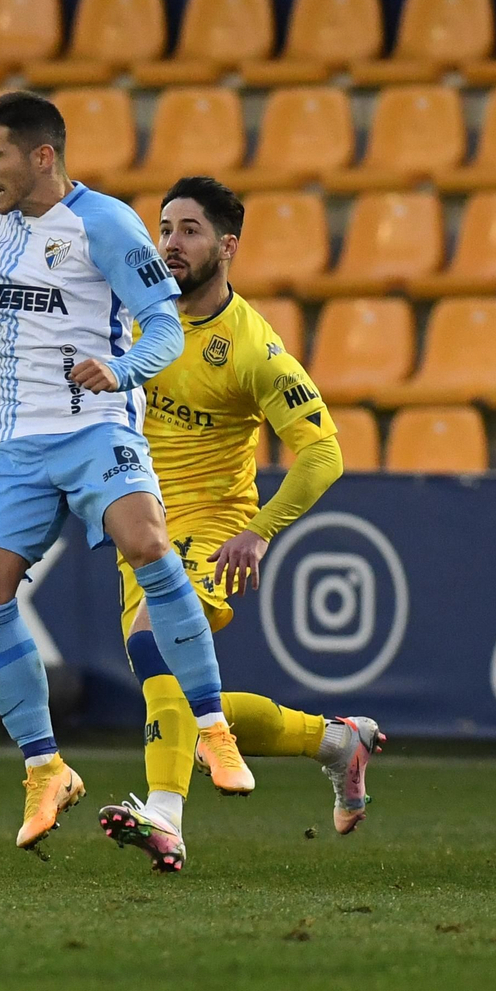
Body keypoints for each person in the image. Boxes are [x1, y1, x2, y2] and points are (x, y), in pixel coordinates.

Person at [0, 92, 253, 856]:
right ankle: (46, 770)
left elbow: (165, 326)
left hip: (94, 425)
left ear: (43, 156)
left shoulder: (104, 223)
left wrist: (123, 370)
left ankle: (211, 726)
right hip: (12, 440)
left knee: (146, 541)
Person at [91, 177, 383, 873]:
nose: (170, 243)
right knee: (192, 702)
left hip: (211, 526)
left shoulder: (252, 348)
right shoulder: (133, 316)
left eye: (189, 230)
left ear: (227, 246)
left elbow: (324, 452)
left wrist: (259, 530)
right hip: (139, 521)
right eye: (164, 227)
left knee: (154, 643)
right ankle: (337, 741)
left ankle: (165, 817)